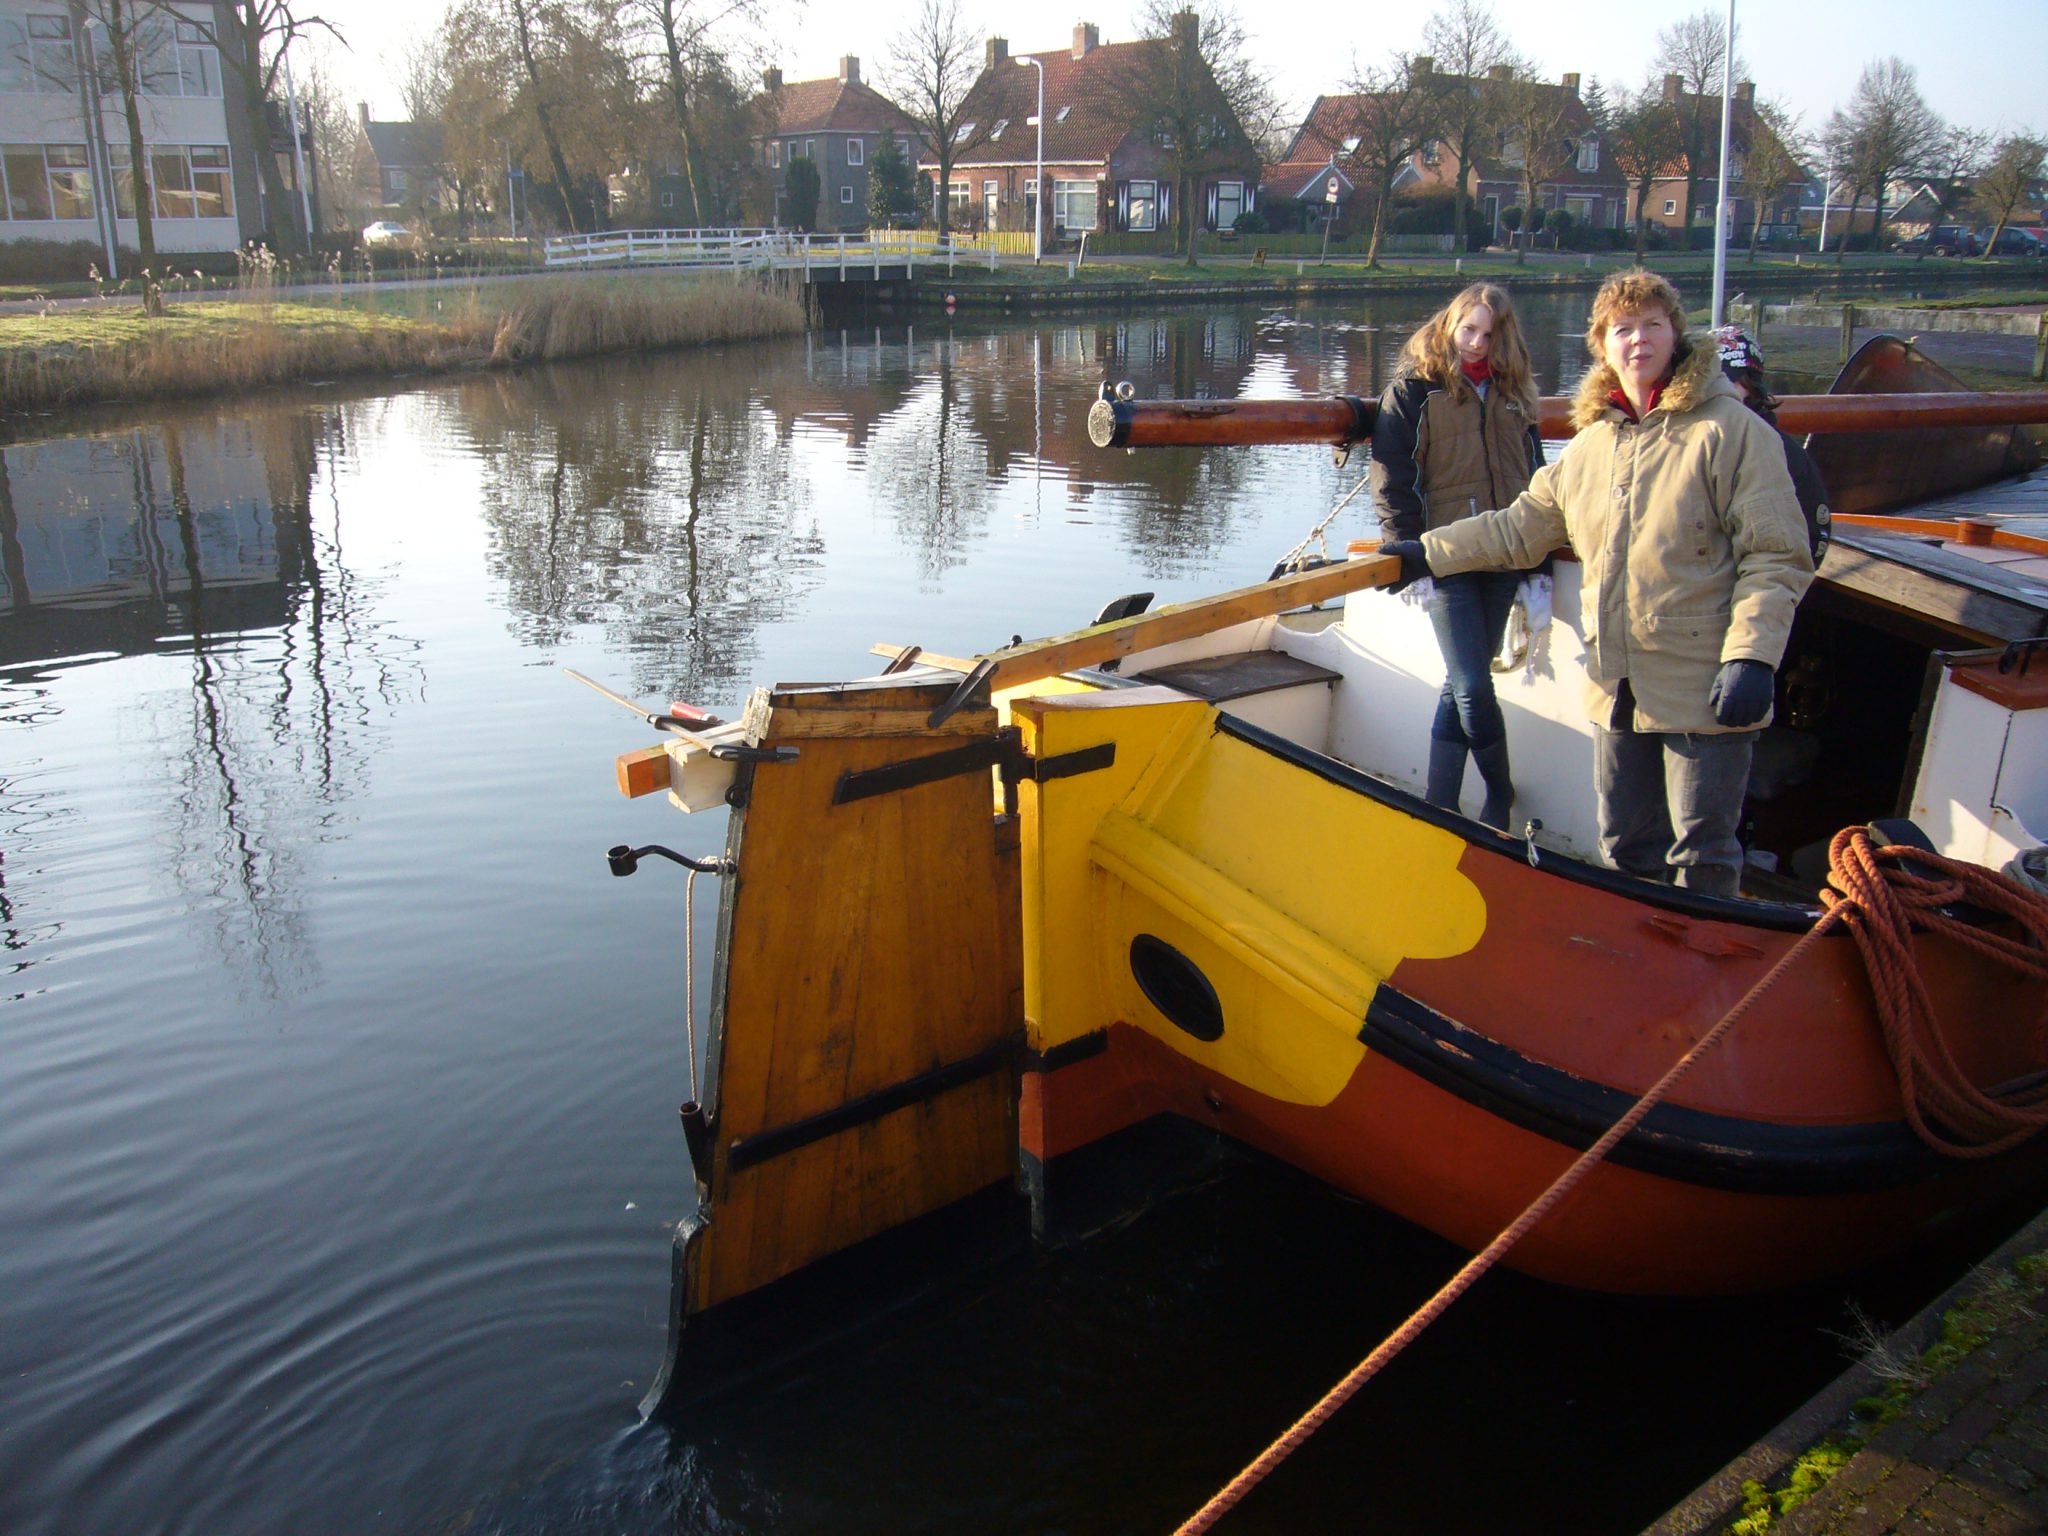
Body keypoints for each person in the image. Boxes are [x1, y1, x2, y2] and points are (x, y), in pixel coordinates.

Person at [1380, 271, 1814, 898]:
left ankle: (1695, 982)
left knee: (1704, 855)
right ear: (1603, 346)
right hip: (1617, 686)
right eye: (1622, 329)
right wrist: (1424, 552)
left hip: (1705, 684)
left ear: (1675, 334)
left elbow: (1775, 555)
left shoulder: (1731, 432)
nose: (1638, 340)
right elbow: (1517, 529)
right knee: (1626, 846)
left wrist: (1751, 655)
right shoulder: (1591, 446)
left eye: (1652, 325)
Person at [1369, 282, 1545, 829]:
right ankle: (1499, 791)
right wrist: (1410, 555)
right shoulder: (1415, 391)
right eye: (1468, 329)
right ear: (1449, 324)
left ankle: (1439, 802)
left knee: (1459, 681)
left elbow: (1539, 485)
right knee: (1471, 683)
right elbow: (1393, 476)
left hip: (1505, 554)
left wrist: (1537, 565)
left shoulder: (1516, 395)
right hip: (1443, 556)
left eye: (1488, 335)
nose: (1475, 343)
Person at [1709, 325, 1832, 567]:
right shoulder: (1679, 446)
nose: (1718, 392)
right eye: (1708, 381)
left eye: (1728, 381)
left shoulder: (1784, 454)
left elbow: (1813, 537)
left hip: (1753, 593)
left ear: (1751, 386)